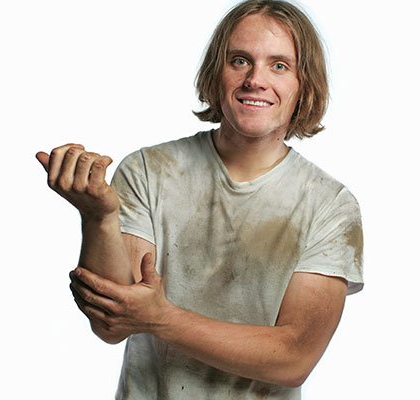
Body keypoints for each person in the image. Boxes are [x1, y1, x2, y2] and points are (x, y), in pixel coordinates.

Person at [36, 0, 363, 398]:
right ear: (216, 73)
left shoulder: (330, 206)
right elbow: (112, 324)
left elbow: (294, 358)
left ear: (304, 85)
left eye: (279, 65)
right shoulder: (148, 170)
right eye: (239, 61)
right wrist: (98, 217)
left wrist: (162, 319)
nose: (255, 80)